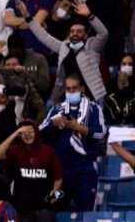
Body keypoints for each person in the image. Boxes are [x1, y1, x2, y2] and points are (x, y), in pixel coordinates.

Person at [38, 75, 104, 212]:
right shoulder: (56, 109)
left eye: (75, 88)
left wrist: (78, 127)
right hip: (61, 170)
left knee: (86, 210)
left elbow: (101, 133)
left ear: (82, 89)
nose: (71, 91)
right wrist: (52, 123)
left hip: (85, 167)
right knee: (57, 208)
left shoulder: (94, 109)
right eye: (68, 89)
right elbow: (39, 132)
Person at [27, 0, 107, 105]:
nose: (75, 34)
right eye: (72, 31)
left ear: (86, 35)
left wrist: (90, 16)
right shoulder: (64, 47)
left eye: (79, 31)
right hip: (70, 95)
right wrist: (28, 18)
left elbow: (103, 33)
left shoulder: (92, 46)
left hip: (92, 97)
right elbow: (44, 37)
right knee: (50, 106)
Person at [0, 120, 62, 222]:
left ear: (37, 132)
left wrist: (55, 192)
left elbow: (58, 177)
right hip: (22, 209)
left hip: (44, 207)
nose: (27, 135)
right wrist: (15, 134)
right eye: (23, 132)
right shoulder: (15, 150)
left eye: (31, 131)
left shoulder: (48, 151)